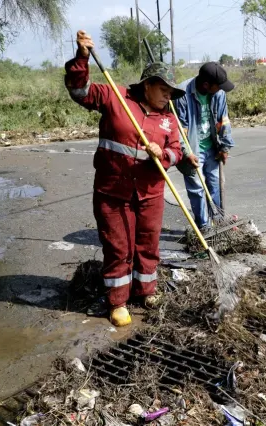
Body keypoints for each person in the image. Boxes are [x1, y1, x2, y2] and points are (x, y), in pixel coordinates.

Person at [64, 30, 184, 327]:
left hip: (150, 193)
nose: (169, 95)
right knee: (118, 246)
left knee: (148, 243)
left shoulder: (169, 119)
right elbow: (80, 91)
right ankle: (117, 301)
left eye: (172, 90)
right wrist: (82, 57)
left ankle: (146, 290)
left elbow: (177, 152)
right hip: (112, 191)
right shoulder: (115, 97)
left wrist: (163, 154)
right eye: (164, 88)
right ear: (147, 85)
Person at [175, 63, 235, 232]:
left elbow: (224, 120)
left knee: (215, 184)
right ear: (206, 85)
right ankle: (204, 228)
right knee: (198, 189)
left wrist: (225, 147)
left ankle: (218, 222)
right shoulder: (182, 94)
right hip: (192, 149)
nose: (221, 90)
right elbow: (180, 129)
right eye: (218, 86)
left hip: (212, 148)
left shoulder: (219, 93)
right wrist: (186, 153)